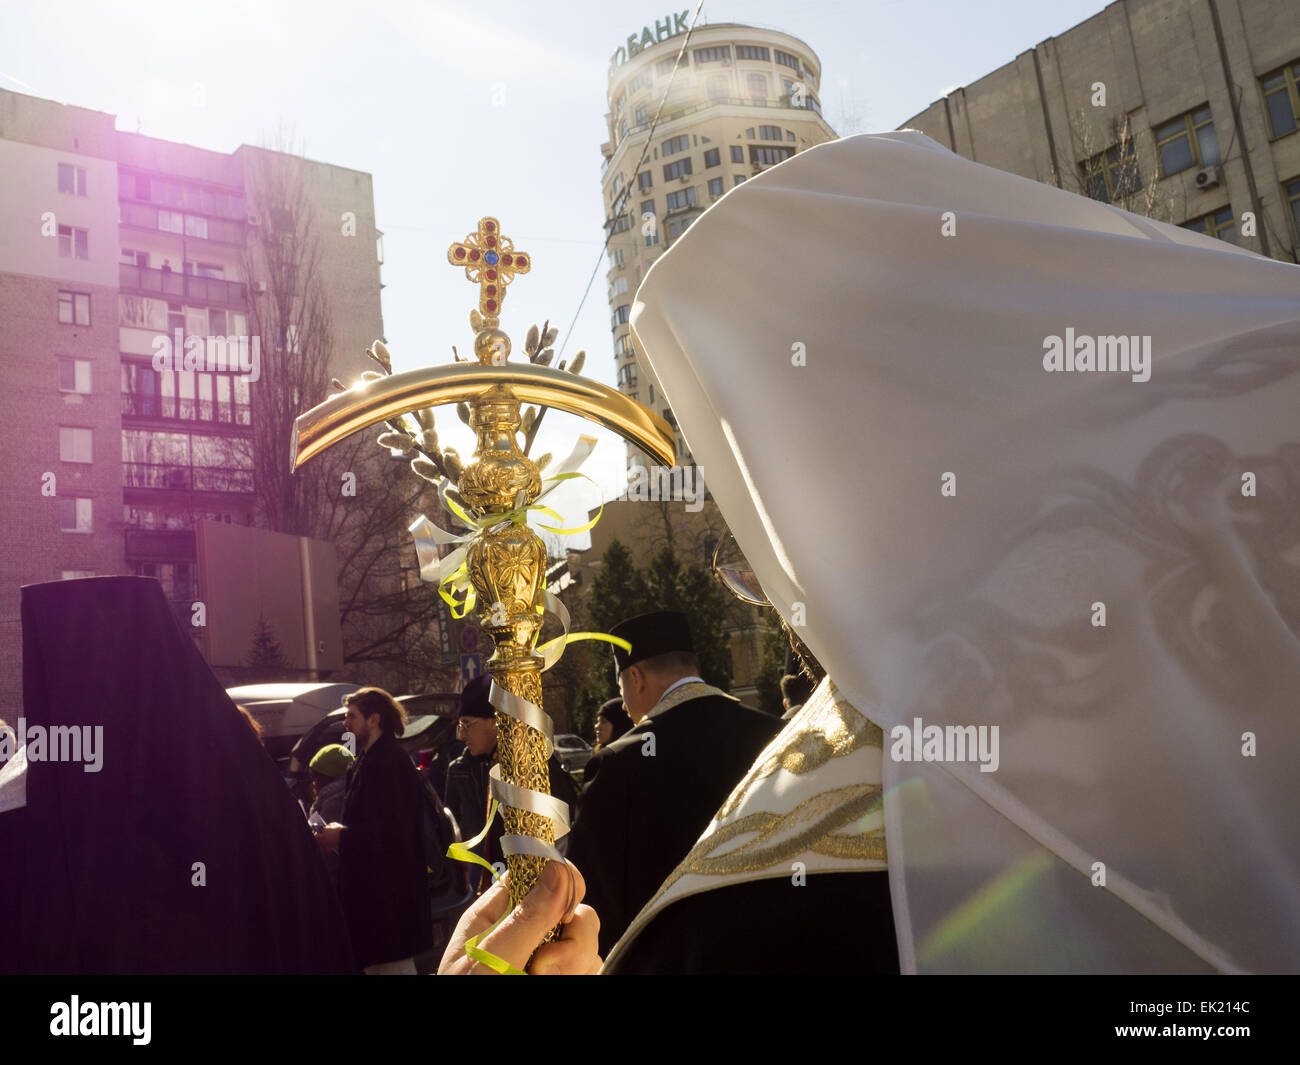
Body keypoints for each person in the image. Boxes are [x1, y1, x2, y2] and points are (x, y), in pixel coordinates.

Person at [563, 611, 781, 956]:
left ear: (635, 678)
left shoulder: (618, 763)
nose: (624, 705)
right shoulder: (774, 735)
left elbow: (591, 902)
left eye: (621, 690)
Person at [316, 687, 431, 974]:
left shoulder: (390, 763)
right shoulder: (367, 762)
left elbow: (395, 835)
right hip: (372, 904)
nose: (346, 723)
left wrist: (342, 836)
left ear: (374, 720)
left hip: (388, 907)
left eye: (351, 716)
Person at [445, 675, 580, 893]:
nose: (461, 735)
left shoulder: (532, 764)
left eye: (467, 724)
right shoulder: (480, 764)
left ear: (495, 720)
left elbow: (559, 841)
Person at [307, 742, 354, 823]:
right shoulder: (353, 792)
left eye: (314, 778)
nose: (313, 784)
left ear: (325, 778)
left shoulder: (332, 805)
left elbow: (320, 835)